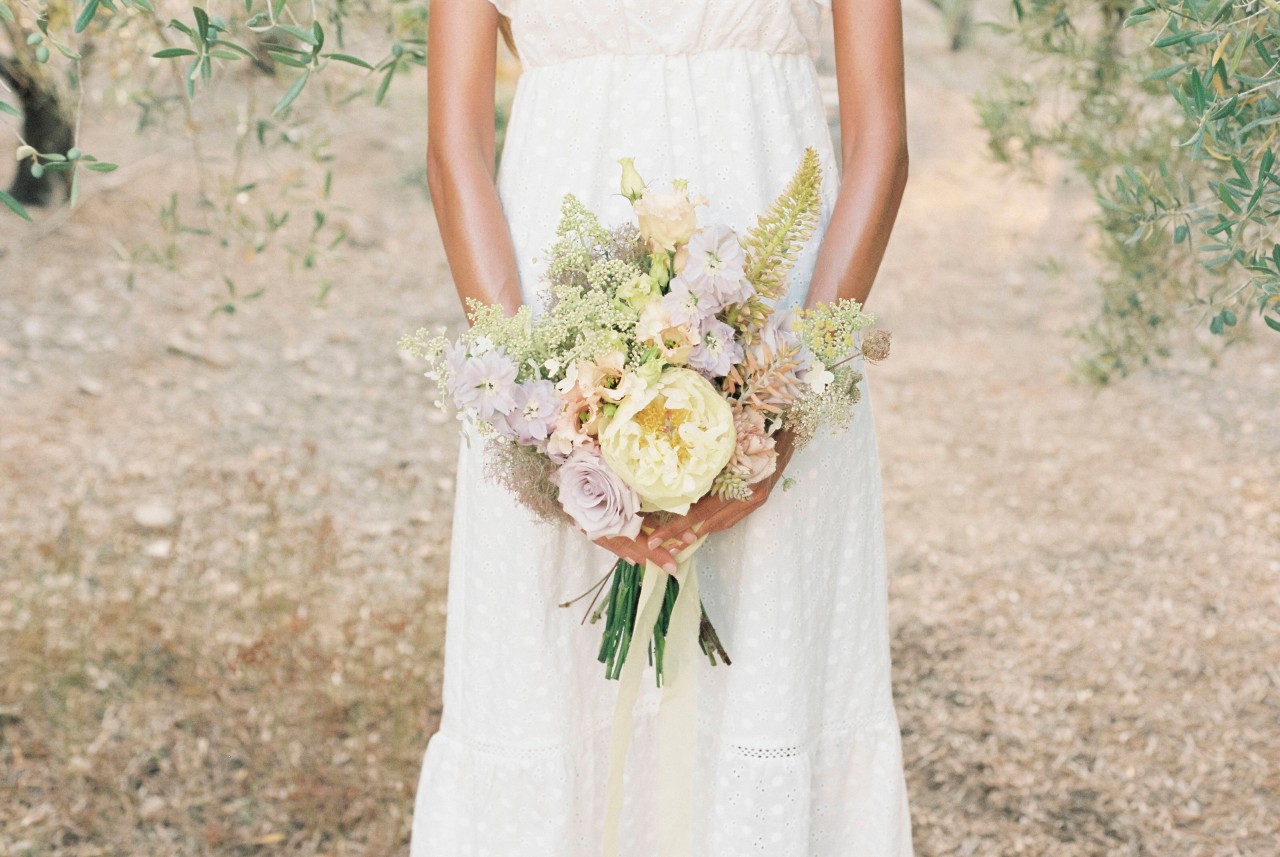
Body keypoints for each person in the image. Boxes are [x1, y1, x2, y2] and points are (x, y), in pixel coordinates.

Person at [412, 1, 913, 854]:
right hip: (547, 327)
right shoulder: (543, 399)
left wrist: (786, 403)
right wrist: (544, 414)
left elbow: (882, 148)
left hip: (781, 315)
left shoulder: (788, 381)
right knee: (546, 672)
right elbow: (452, 147)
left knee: (770, 660)